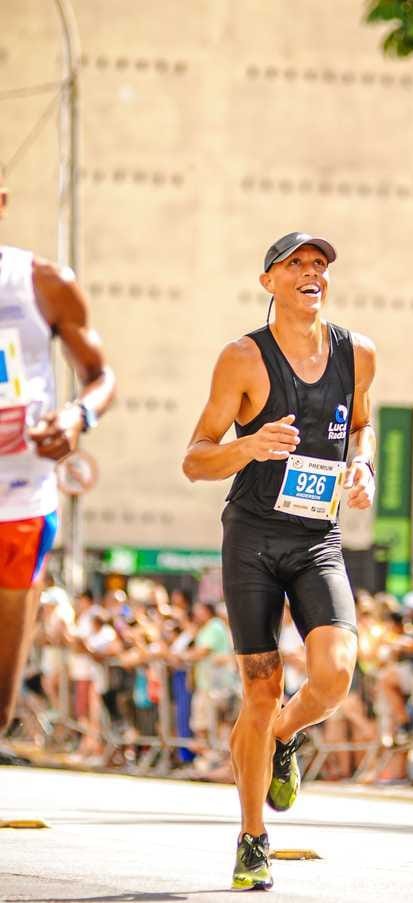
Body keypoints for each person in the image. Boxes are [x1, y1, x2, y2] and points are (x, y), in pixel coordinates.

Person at [183, 231, 376, 890]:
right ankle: (251, 837)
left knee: (335, 674)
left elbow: (362, 423)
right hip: (255, 538)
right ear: (269, 281)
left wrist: (365, 465)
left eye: (320, 263)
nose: (311, 272)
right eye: (296, 264)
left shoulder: (359, 352)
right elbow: (196, 455)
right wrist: (251, 445)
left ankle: (288, 736)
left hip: (318, 537)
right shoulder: (243, 358)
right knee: (259, 690)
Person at [0, 181, 115, 737]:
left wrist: (77, 417)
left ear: (2, 200)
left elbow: (102, 377)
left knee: (2, 683)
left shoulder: (41, 282)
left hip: (21, 496)